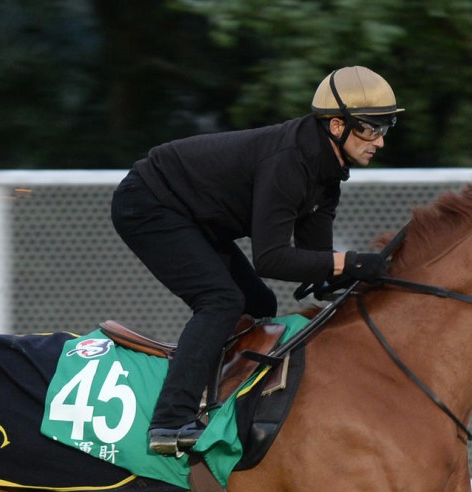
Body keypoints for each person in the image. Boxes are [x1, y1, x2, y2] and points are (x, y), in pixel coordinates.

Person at [111, 65, 402, 456]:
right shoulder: (290, 162)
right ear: (337, 125)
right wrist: (350, 264)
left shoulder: (327, 176)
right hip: (149, 202)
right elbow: (271, 258)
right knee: (221, 300)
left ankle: (216, 399)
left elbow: (317, 262)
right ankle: (167, 424)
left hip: (192, 214)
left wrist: (377, 275)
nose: (379, 142)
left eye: (385, 129)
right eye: (372, 128)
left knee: (260, 304)